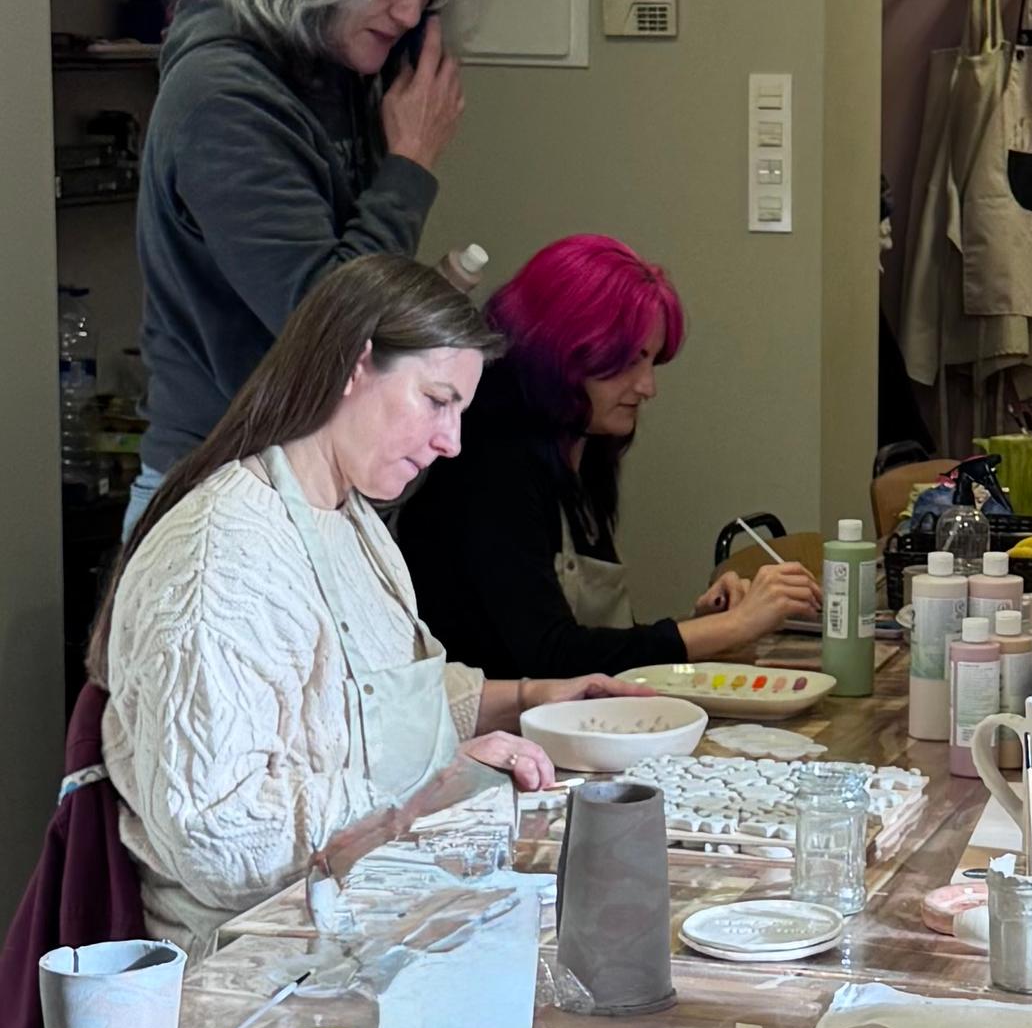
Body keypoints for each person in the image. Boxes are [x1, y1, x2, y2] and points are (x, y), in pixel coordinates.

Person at [98, 256, 647, 955]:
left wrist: (536, 699)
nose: (451, 443)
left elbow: (378, 698)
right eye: (436, 401)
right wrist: (434, 793)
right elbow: (216, 830)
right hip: (256, 962)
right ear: (357, 365)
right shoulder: (223, 559)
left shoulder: (350, 518)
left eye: (461, 412)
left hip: (374, 917)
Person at [129, 0, 486, 537]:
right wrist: (409, 167)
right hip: (219, 503)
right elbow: (328, 321)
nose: (412, 11)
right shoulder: (223, 97)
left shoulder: (334, 67)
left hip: (299, 487)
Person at [399, 235, 821, 679]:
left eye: (652, 363)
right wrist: (731, 626)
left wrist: (702, 626)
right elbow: (550, 656)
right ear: (562, 352)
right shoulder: (491, 465)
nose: (647, 387)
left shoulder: (583, 453)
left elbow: (595, 643)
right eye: (627, 362)